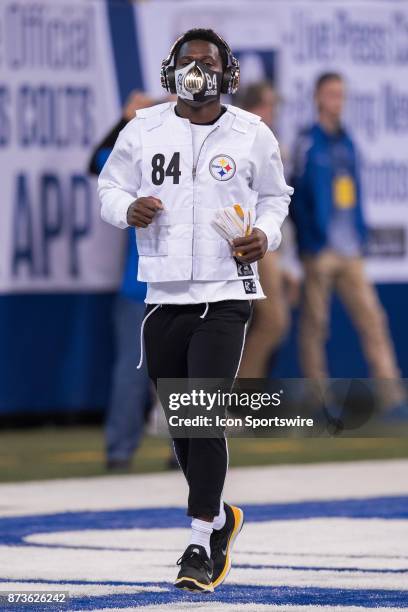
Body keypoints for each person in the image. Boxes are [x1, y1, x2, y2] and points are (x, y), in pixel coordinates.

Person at [98, 28, 292, 592]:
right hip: (163, 294)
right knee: (181, 422)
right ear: (171, 69)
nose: (196, 70)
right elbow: (109, 186)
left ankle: (198, 540)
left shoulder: (252, 133)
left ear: (227, 74)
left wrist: (266, 234)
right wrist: (126, 208)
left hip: (226, 292)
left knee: (202, 411)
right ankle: (221, 515)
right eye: (188, 61)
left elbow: (278, 197)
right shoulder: (144, 128)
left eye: (207, 62)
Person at [291, 72, 404, 409]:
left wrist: (360, 232)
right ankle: (317, 394)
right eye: (330, 94)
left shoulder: (349, 142)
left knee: (372, 317)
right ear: (317, 97)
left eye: (341, 95)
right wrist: (311, 241)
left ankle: (390, 392)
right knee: (316, 325)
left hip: (350, 247)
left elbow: (354, 192)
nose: (336, 101)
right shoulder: (307, 142)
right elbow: (296, 195)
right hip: (321, 249)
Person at [89, 91, 154, 471]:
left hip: (183, 284)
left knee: (190, 374)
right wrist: (127, 119)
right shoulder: (139, 158)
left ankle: (193, 455)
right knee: (135, 371)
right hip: (143, 284)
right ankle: (119, 451)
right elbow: (97, 162)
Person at [237, 81, 300, 377]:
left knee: (270, 323)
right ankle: (230, 402)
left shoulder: (268, 142)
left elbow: (277, 204)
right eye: (269, 105)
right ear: (256, 107)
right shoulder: (235, 141)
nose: (273, 112)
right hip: (242, 242)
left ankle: (237, 402)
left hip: (263, 244)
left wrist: (286, 260)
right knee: (236, 323)